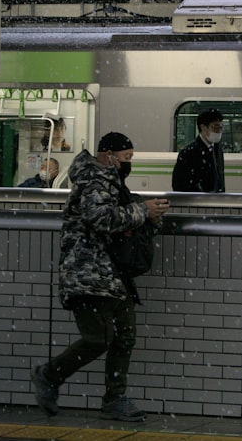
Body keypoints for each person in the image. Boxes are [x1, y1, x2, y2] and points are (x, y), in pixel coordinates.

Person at [31, 132, 169, 422]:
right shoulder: (94, 180)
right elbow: (101, 219)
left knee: (124, 337)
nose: (128, 163)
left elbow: (124, 224)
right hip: (89, 274)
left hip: (112, 275)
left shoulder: (112, 182)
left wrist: (149, 218)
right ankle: (49, 375)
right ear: (108, 156)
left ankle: (115, 399)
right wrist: (142, 210)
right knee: (99, 338)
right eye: (126, 158)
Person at [172, 109, 226, 192]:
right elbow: (179, 184)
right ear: (203, 127)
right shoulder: (188, 153)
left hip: (215, 201)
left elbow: (220, 179)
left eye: (221, 127)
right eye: (215, 127)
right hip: (197, 201)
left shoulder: (217, 149)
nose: (219, 131)